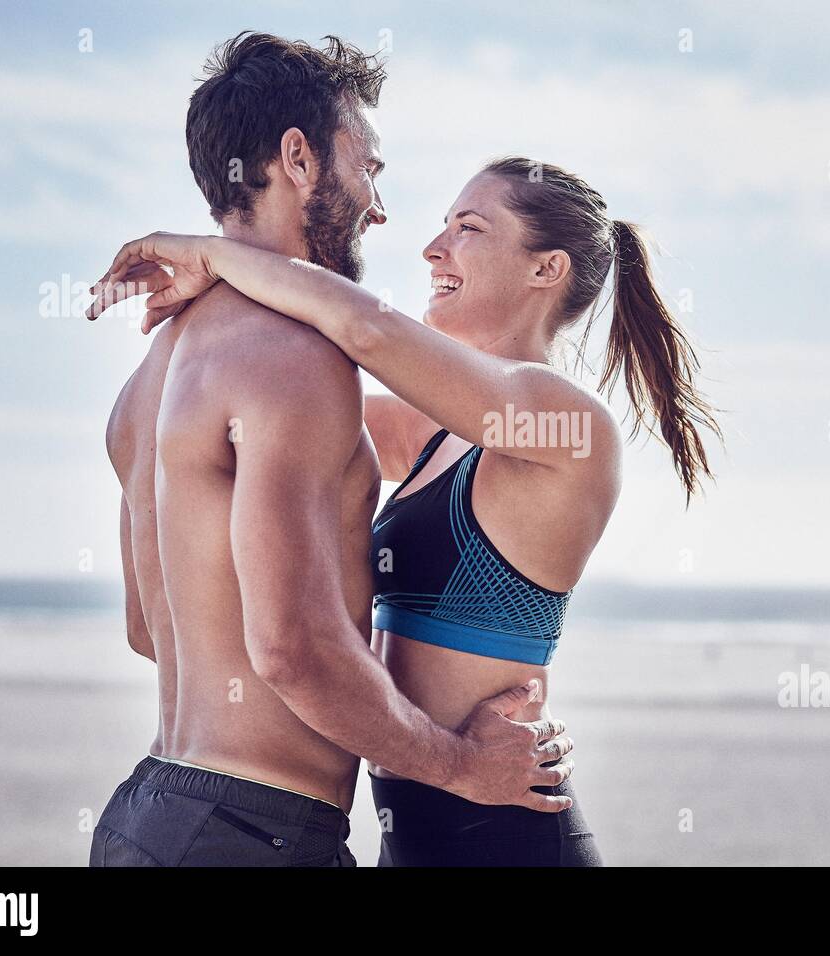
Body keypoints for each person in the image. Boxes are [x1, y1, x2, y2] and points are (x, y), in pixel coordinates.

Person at [89, 152, 722, 865]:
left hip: (505, 834)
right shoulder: (438, 431)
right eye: (443, 225)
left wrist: (212, 254)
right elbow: (257, 406)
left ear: (545, 270)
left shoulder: (564, 427)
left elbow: (366, 332)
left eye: (469, 229)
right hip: (411, 835)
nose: (433, 247)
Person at [87, 33, 573, 869]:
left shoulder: (149, 379)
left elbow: (146, 628)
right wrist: (460, 765)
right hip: (252, 835)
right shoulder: (298, 359)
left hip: (147, 812)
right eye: (369, 167)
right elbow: (288, 648)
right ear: (300, 160)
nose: (379, 206)